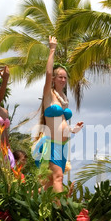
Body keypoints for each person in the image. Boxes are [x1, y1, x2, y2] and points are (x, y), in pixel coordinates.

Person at [32, 35, 83, 193]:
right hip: (51, 144)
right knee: (58, 176)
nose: (62, 79)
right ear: (54, 79)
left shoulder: (64, 99)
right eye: (60, 76)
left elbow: (61, 124)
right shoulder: (49, 94)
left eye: (65, 77)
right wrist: (52, 49)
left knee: (48, 183)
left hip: (62, 146)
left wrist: (73, 129)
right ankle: (60, 212)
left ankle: (31, 201)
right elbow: (47, 74)